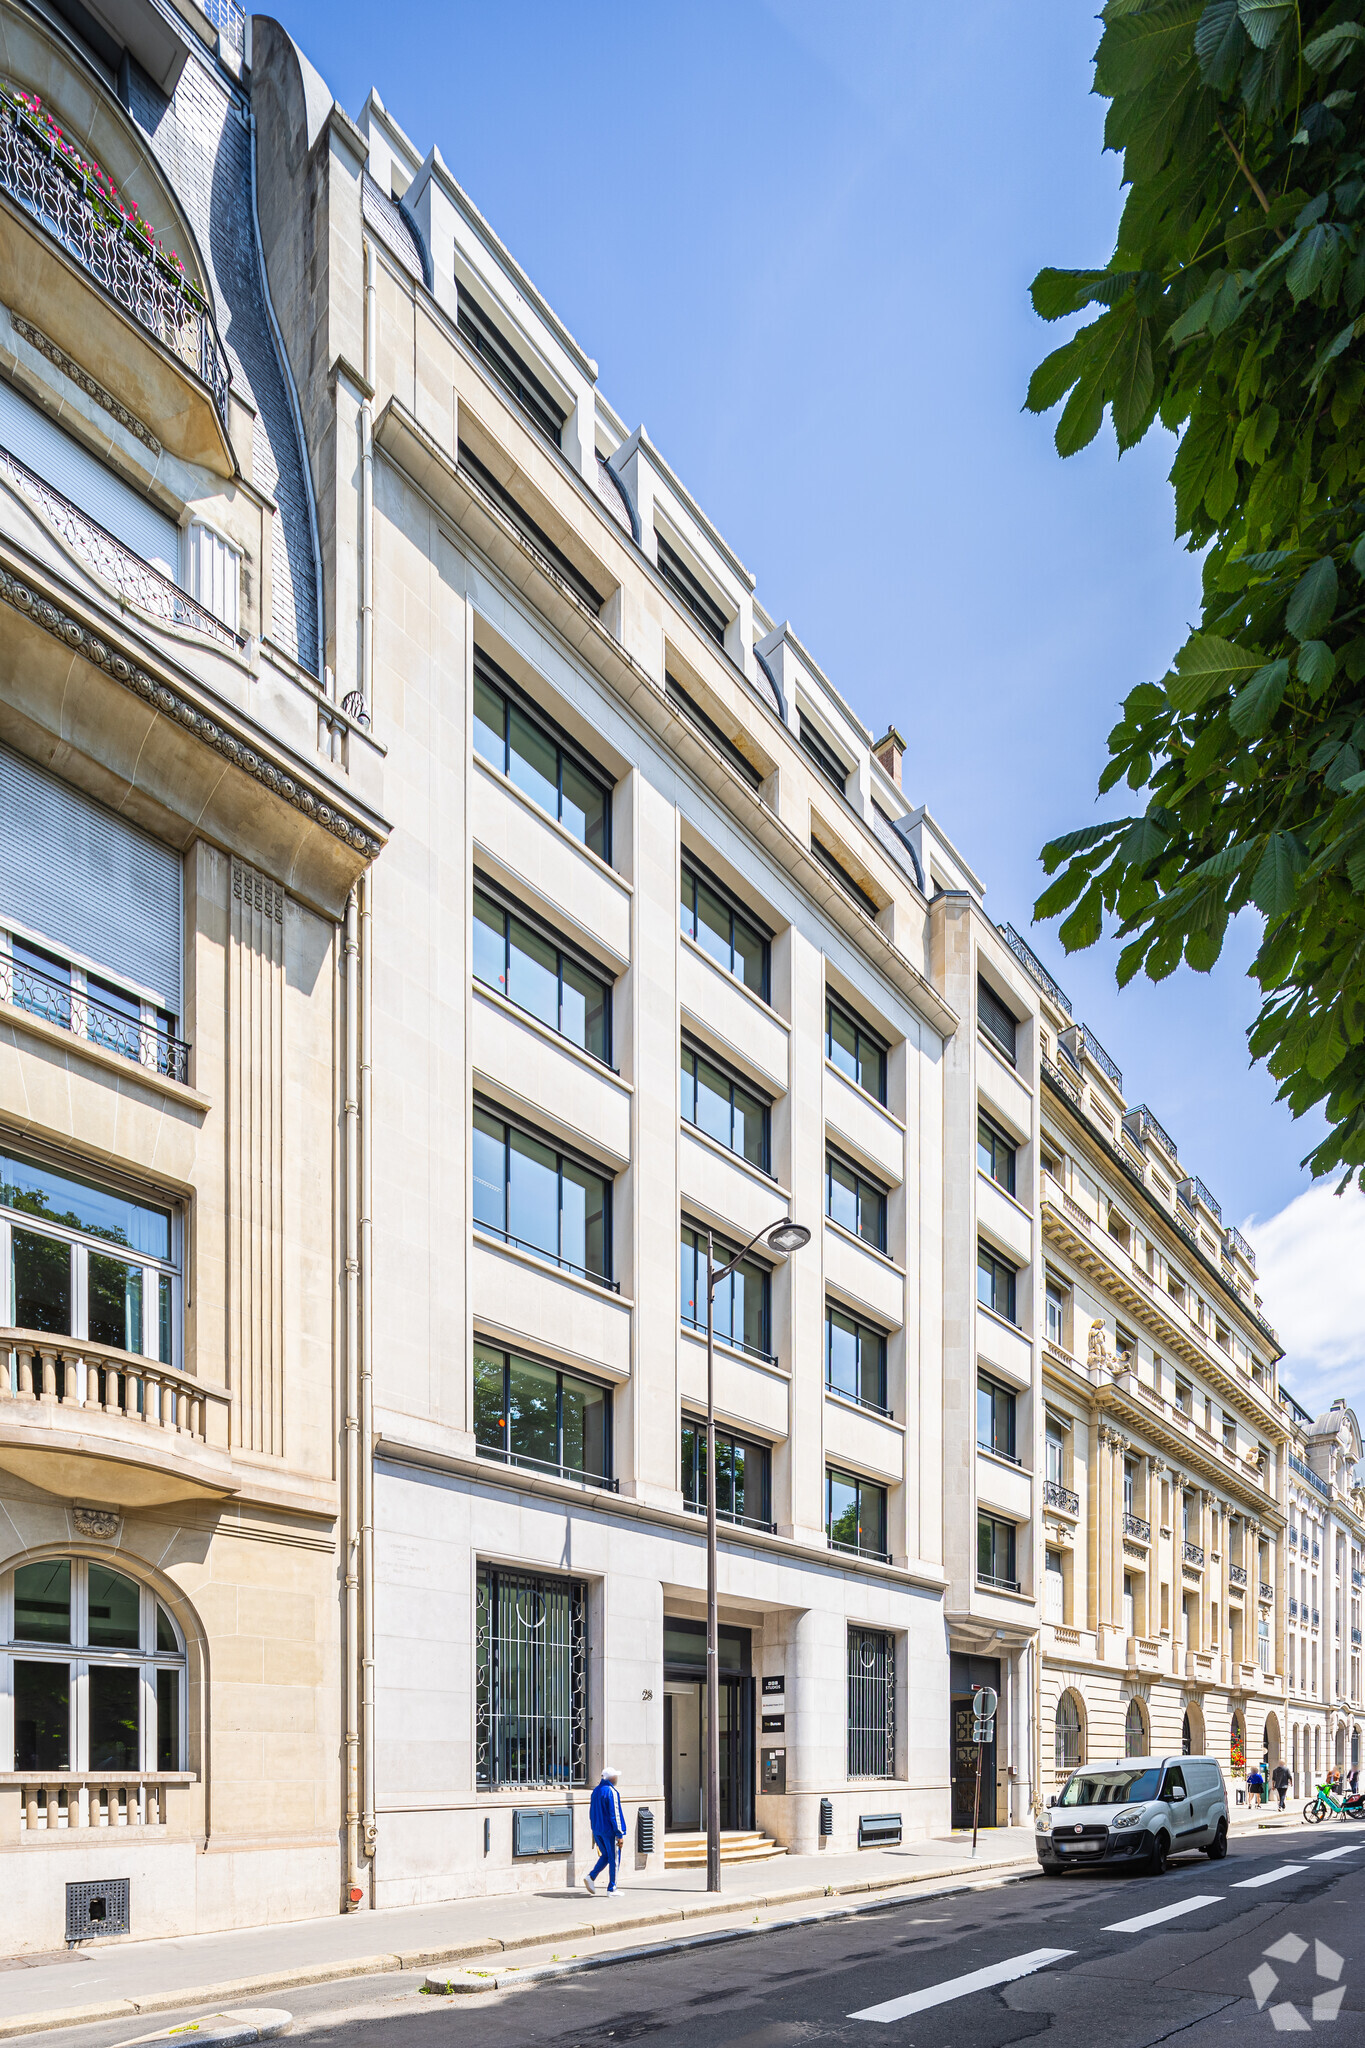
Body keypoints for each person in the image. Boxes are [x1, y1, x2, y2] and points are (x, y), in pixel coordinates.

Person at [584, 1766, 627, 1895]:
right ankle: (612, 1888)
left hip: (598, 1830)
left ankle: (591, 1876)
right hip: (609, 1831)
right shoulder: (611, 1792)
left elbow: (591, 1813)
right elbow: (615, 1814)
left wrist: (594, 1829)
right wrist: (620, 1834)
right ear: (612, 1778)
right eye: (616, 1777)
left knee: (606, 1856)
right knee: (614, 1858)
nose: (617, 1779)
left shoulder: (596, 1791)